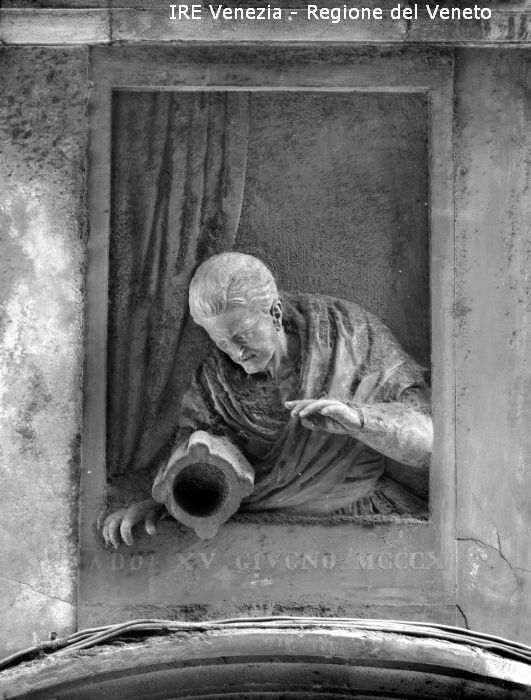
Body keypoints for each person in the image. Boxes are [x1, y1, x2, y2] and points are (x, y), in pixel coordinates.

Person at [103, 253, 432, 547]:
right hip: (256, 539)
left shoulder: (348, 335)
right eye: (221, 342)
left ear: (275, 314)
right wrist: (164, 504)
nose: (236, 352)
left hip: (359, 524)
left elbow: (429, 444)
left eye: (242, 335)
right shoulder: (211, 385)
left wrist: (360, 421)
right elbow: (199, 468)